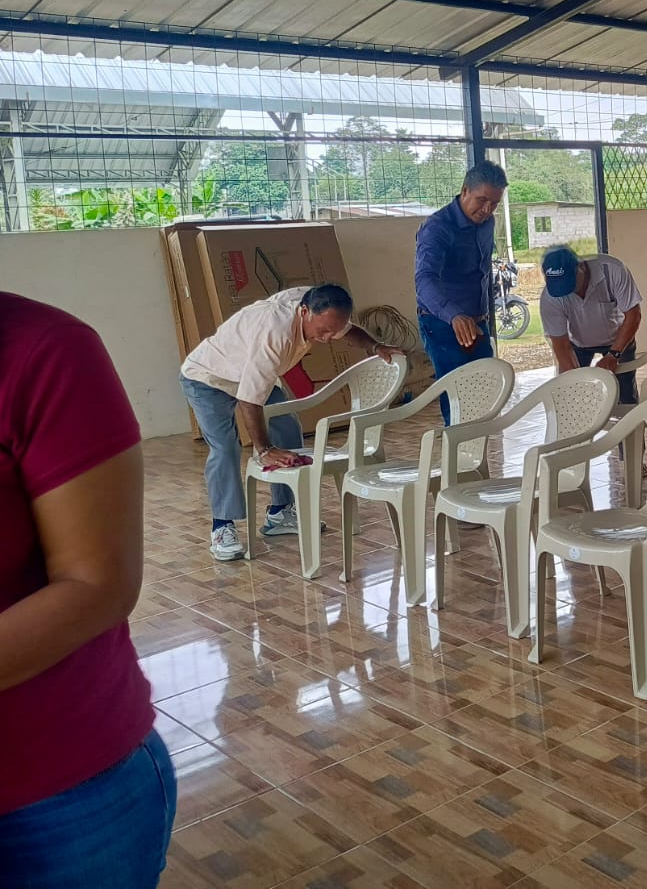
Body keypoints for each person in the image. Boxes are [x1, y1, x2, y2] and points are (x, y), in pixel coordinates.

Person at [1, 293, 174, 887]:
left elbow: (97, 584)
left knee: (240, 438)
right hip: (215, 377)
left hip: (52, 787)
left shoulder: (39, 349)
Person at [179, 284, 400, 561]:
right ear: (304, 312)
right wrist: (264, 449)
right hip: (207, 377)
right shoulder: (275, 334)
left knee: (287, 428)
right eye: (323, 331)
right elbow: (249, 400)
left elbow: (348, 331)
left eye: (333, 332)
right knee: (226, 447)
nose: (328, 338)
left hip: (250, 370)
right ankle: (222, 527)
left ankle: (280, 513)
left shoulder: (322, 305)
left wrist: (375, 346)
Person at [415, 160, 508, 421]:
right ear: (465, 190)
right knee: (458, 405)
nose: (487, 209)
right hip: (443, 325)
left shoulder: (487, 223)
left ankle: (479, 449)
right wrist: (454, 315)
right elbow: (424, 279)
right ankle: (456, 447)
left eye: (494, 203)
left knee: (484, 402)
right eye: (482, 200)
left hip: (478, 323)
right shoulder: (437, 228)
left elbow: (482, 271)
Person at [539, 246, 645, 405]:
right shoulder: (550, 297)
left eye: (570, 284)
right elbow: (561, 345)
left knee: (626, 395)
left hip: (618, 338)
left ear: (581, 266)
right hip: (578, 343)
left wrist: (614, 355)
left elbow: (633, 315)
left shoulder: (612, 270)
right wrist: (577, 384)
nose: (567, 292)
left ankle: (630, 420)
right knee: (572, 394)